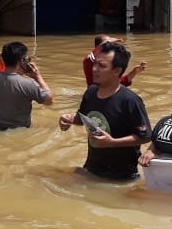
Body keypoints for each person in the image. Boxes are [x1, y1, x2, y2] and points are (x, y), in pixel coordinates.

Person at [59, 41, 152, 181]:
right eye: (95, 64)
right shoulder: (90, 92)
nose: (94, 69)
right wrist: (69, 119)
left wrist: (112, 142)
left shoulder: (130, 101)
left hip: (121, 178)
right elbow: (82, 117)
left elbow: (145, 136)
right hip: (91, 170)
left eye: (101, 66)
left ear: (117, 71)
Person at [0, 41, 53, 130]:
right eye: (27, 59)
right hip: (21, 131)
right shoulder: (28, 83)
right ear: (22, 61)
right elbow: (49, 101)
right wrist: (38, 77)